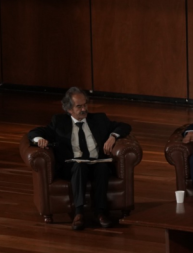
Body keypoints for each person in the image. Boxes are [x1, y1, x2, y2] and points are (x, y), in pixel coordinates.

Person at [29, 87, 131, 230]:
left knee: (102, 167)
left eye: (85, 105)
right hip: (72, 167)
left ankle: (101, 212)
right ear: (69, 109)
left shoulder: (99, 119)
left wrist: (113, 137)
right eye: (79, 106)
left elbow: (124, 126)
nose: (84, 109)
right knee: (79, 166)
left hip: (96, 163)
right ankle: (79, 213)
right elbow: (34, 132)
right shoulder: (59, 122)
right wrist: (39, 139)